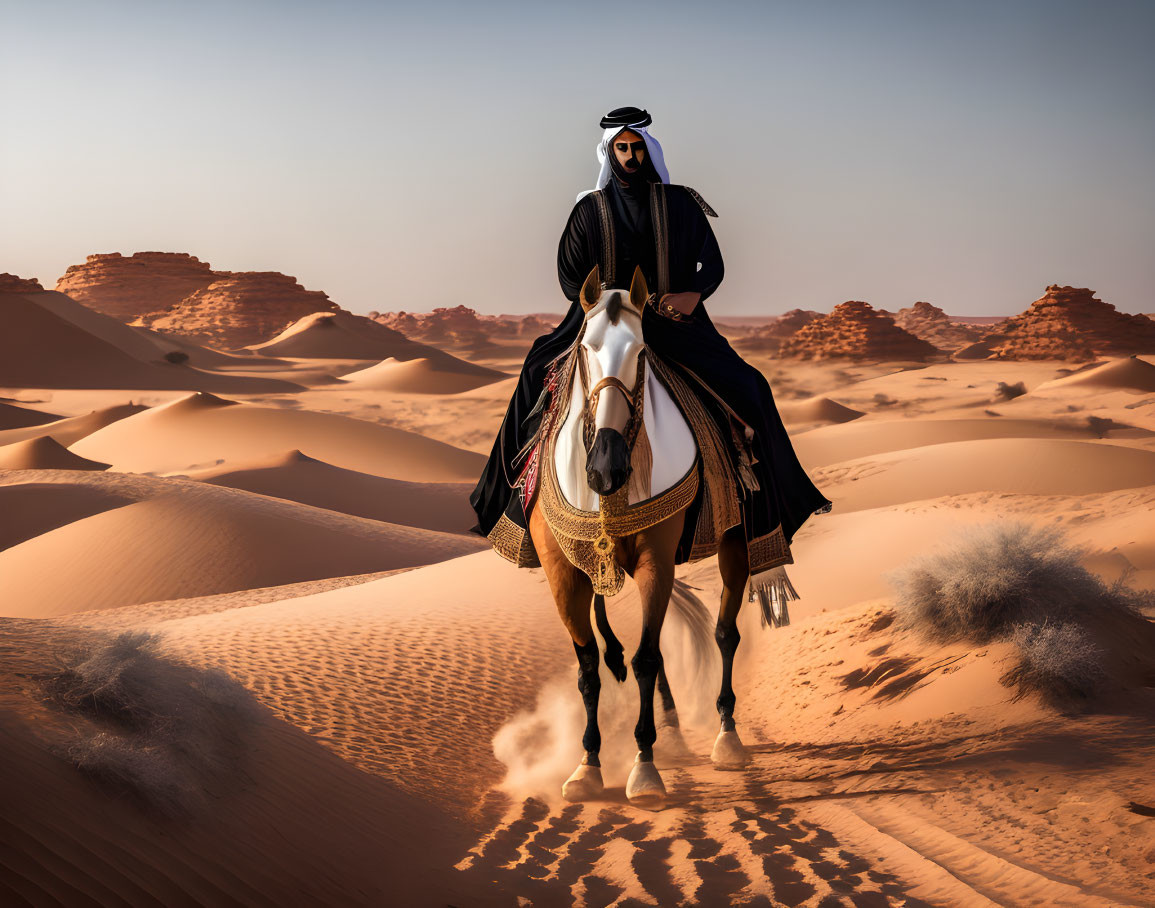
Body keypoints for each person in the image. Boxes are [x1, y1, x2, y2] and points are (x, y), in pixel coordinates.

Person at [469, 106, 831, 591]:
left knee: (751, 388)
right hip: (604, 321)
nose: (630, 157)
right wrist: (604, 302)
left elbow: (713, 265)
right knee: (535, 372)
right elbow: (567, 276)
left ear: (648, 149)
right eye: (621, 148)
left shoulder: (679, 203)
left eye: (637, 147)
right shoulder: (588, 210)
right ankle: (519, 505)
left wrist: (691, 295)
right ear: (610, 153)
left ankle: (760, 523)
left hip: (672, 324)